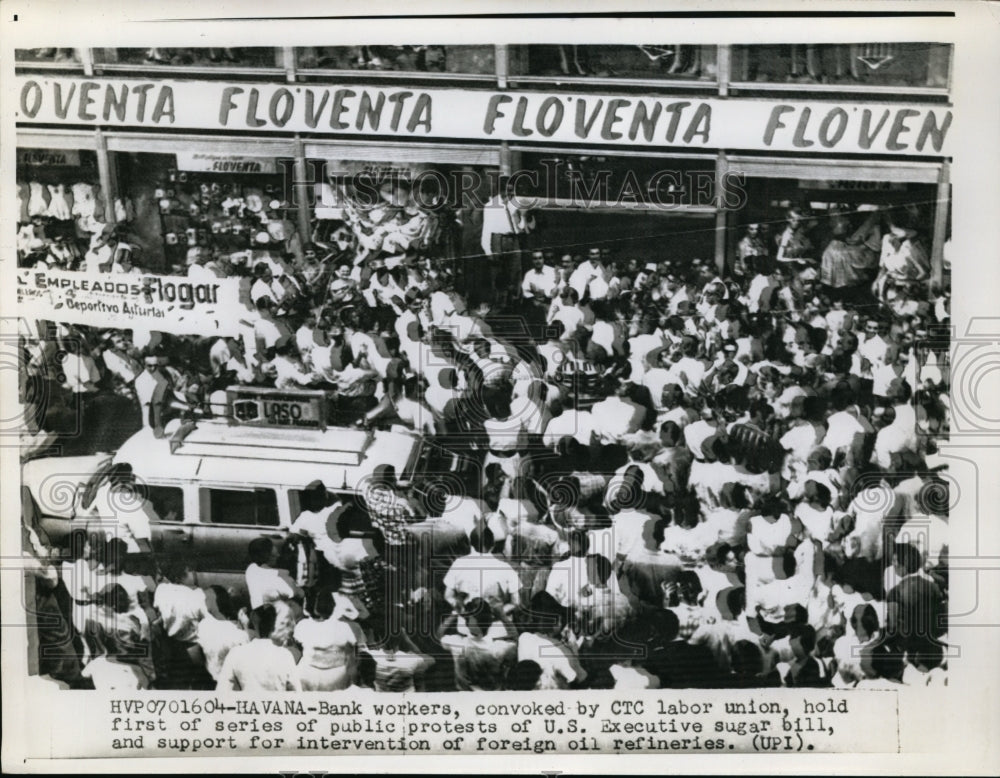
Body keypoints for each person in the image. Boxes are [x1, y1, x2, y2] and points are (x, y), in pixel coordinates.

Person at [216, 604, 300, 691]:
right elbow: (297, 694)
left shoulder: (236, 653)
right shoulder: (285, 655)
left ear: (253, 622)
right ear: (274, 625)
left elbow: (222, 691)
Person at [245, 537, 303, 610]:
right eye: (275, 555)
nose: (278, 556)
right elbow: (298, 593)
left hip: (257, 614)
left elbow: (267, 571)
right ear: (268, 556)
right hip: (273, 618)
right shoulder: (278, 581)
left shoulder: (251, 570)